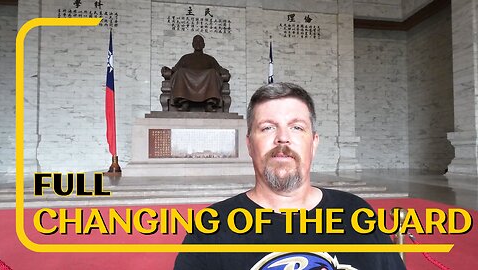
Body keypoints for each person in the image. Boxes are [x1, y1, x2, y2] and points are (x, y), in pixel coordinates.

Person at [174, 82, 406, 270]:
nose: (282, 138)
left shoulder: (358, 214)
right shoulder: (210, 229)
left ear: (314, 143)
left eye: (297, 127)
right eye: (267, 127)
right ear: (249, 145)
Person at [161, 35, 230, 112]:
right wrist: (167, 70)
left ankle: (209, 103)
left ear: (204, 45)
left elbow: (219, 70)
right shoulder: (186, 58)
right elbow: (175, 70)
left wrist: (225, 72)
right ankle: (184, 102)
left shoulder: (209, 59)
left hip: (206, 79)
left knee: (212, 72)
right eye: (196, 42)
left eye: (200, 42)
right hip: (187, 79)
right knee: (181, 72)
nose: (198, 43)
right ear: (192, 44)